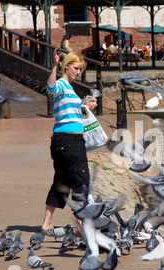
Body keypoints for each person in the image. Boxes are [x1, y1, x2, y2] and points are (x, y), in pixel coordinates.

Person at [41, 49, 96, 232]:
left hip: (61, 141)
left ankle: (47, 223)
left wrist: (84, 106)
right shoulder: (63, 85)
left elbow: (70, 112)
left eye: (80, 69)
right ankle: (81, 223)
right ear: (67, 66)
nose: (78, 72)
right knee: (81, 179)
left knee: (62, 181)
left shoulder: (70, 90)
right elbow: (50, 88)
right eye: (75, 68)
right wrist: (55, 66)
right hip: (70, 141)